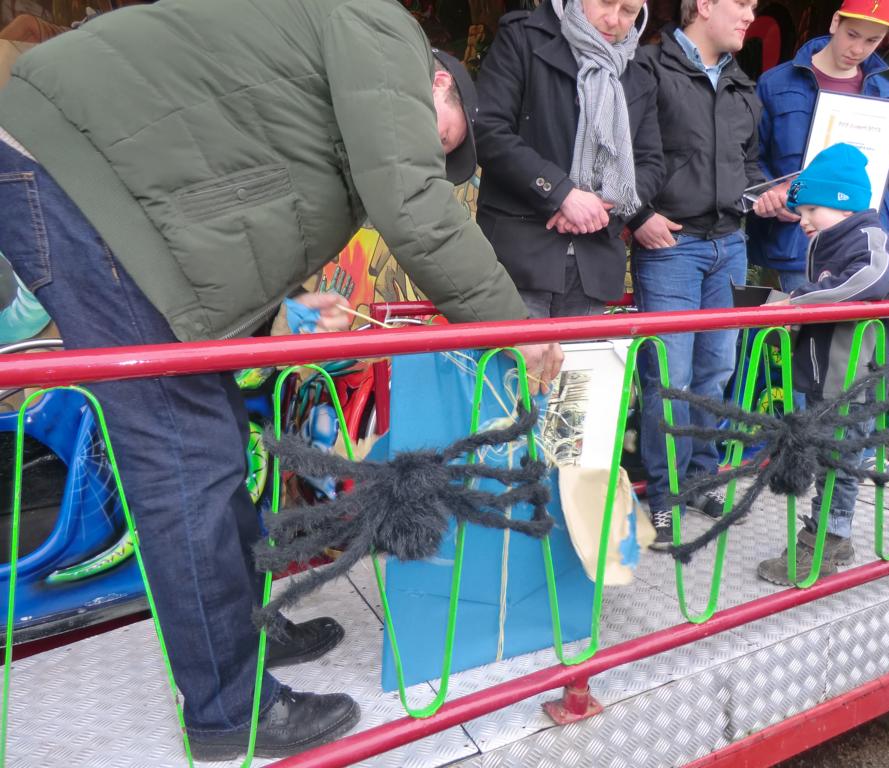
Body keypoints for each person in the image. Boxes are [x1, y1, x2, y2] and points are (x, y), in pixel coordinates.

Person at [0, 0, 562, 760]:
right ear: (437, 82)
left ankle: (248, 634)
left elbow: (229, 206)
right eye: (441, 137)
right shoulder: (384, 31)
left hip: (101, 188)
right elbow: (412, 205)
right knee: (186, 459)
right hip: (77, 180)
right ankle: (229, 712)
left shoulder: (327, 80)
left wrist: (284, 307)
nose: (429, 153)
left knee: (216, 440)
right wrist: (514, 331)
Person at [747, 0, 889, 482]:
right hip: (798, 239)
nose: (859, 49)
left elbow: (880, 175)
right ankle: (809, 454)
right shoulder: (777, 82)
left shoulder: (882, 88)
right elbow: (753, 155)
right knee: (810, 351)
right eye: (853, 35)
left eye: (872, 40)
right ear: (834, 23)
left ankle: (850, 456)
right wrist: (769, 193)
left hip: (863, 238)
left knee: (863, 353)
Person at [631, 0, 772, 549]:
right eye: (742, 4)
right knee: (670, 379)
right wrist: (637, 215)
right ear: (705, 5)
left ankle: (699, 479)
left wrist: (768, 195)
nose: (750, 15)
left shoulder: (741, 82)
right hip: (672, 245)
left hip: (730, 242)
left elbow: (748, 164)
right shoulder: (648, 65)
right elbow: (622, 149)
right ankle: (664, 496)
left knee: (716, 370)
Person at [756, 143, 889, 584]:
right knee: (832, 455)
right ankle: (835, 532)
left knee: (840, 456)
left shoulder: (869, 237)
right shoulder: (828, 240)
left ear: (844, 203)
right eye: (801, 211)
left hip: (854, 377)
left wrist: (798, 302)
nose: (803, 220)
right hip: (826, 374)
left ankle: (823, 540)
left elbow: (872, 278)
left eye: (811, 210)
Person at [474, 0, 664, 319]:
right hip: (518, 255)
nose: (614, 19)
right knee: (514, 355)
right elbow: (487, 129)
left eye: (628, 11)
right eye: (605, 3)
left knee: (581, 356)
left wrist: (599, 209)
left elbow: (651, 164)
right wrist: (560, 193)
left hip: (594, 261)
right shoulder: (523, 37)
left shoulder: (638, 72)